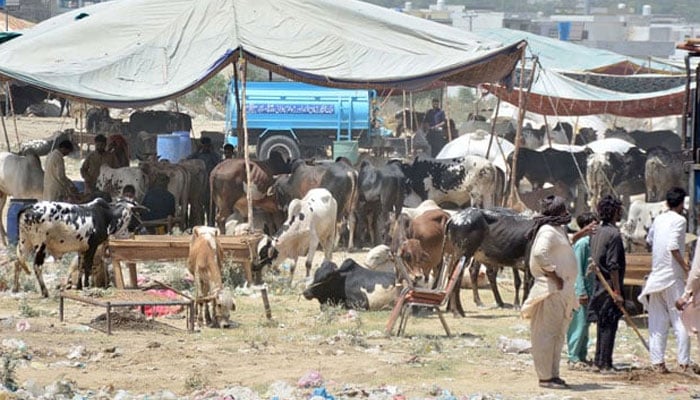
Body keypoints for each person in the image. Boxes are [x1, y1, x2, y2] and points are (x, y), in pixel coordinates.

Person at [521, 195, 578, 389]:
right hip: (551, 289)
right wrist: (555, 276)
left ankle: (553, 375)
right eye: (563, 210)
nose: (566, 213)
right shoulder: (547, 231)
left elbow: (562, 246)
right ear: (558, 212)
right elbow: (539, 253)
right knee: (546, 334)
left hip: (562, 291)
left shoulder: (557, 230)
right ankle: (545, 377)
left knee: (557, 334)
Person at [639, 187, 690, 373]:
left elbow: (650, 240)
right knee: (681, 321)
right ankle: (684, 363)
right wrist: (687, 268)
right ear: (681, 203)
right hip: (672, 276)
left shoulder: (659, 218)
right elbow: (673, 247)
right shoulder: (680, 220)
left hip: (657, 275)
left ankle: (657, 362)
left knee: (657, 321)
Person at [587, 194, 626, 374]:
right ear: (613, 212)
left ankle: (598, 361)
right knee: (609, 324)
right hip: (609, 285)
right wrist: (617, 291)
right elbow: (613, 265)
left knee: (602, 324)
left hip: (598, 285)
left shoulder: (596, 232)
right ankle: (605, 364)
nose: (621, 212)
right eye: (619, 209)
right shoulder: (614, 234)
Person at [566, 212, 598, 369]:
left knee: (585, 324)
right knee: (578, 324)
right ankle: (573, 356)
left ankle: (582, 355)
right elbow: (578, 269)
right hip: (581, 290)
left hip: (590, 289)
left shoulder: (592, 243)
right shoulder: (582, 244)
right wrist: (581, 291)